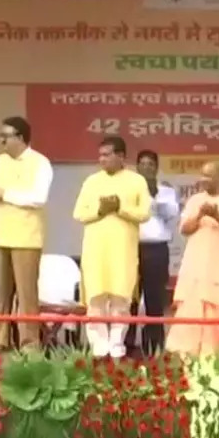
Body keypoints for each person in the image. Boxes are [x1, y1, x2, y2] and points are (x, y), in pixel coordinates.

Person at [72, 136, 150, 358]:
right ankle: (98, 343)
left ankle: (117, 342)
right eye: (100, 155)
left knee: (120, 297)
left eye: (107, 155)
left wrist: (120, 208)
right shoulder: (91, 181)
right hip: (95, 249)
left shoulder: (137, 181)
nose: (102, 159)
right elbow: (78, 213)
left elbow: (144, 213)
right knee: (96, 297)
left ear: (121, 156)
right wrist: (100, 211)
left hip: (123, 249)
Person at [165, 160, 219, 356]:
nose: (204, 180)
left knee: (217, 316)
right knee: (190, 313)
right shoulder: (195, 200)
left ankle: (216, 357)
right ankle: (185, 356)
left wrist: (217, 215)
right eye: (202, 175)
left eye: (209, 176)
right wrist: (201, 213)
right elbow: (185, 229)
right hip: (196, 268)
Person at [0, 116, 53, 350]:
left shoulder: (41, 163)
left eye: (6, 136)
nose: (2, 141)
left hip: (27, 237)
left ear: (21, 138)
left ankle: (29, 344)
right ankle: (0, 340)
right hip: (0, 235)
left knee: (26, 295)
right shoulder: (0, 161)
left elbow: (38, 198)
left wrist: (6, 194)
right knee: (0, 295)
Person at [124, 150, 178, 357]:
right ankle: (128, 344)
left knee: (155, 299)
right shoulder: (129, 190)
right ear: (137, 167)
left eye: (151, 164)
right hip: (132, 247)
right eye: (143, 164)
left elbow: (171, 214)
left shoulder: (166, 191)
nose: (146, 168)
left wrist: (154, 196)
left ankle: (153, 346)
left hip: (156, 250)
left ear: (157, 167)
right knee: (131, 298)